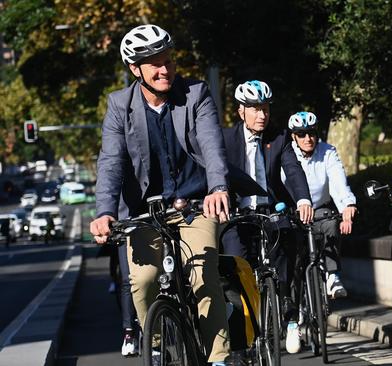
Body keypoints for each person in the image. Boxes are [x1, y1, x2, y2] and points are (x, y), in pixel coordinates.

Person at [89, 24, 238, 366]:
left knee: (202, 274)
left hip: (195, 205)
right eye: (154, 63)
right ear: (134, 69)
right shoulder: (118, 105)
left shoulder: (195, 94)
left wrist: (218, 188)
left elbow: (213, 147)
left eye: (168, 61)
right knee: (143, 281)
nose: (164, 70)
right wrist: (104, 212)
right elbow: (111, 161)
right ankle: (156, 342)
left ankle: (219, 358)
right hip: (144, 212)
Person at [221, 80, 313, 354]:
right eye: (255, 109)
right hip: (238, 213)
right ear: (241, 112)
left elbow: (293, 170)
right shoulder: (225, 139)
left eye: (265, 109)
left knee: (287, 247)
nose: (262, 115)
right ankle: (244, 337)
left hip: (271, 209)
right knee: (237, 268)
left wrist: (304, 199)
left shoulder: (279, 138)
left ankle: (288, 311)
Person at [283, 111, 357, 299]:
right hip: (293, 212)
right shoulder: (287, 153)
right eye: (301, 134)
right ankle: (293, 313)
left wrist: (347, 205)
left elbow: (338, 181)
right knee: (294, 259)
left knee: (331, 223)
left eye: (312, 133)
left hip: (319, 209)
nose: (308, 139)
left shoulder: (327, 152)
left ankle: (333, 275)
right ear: (293, 136)